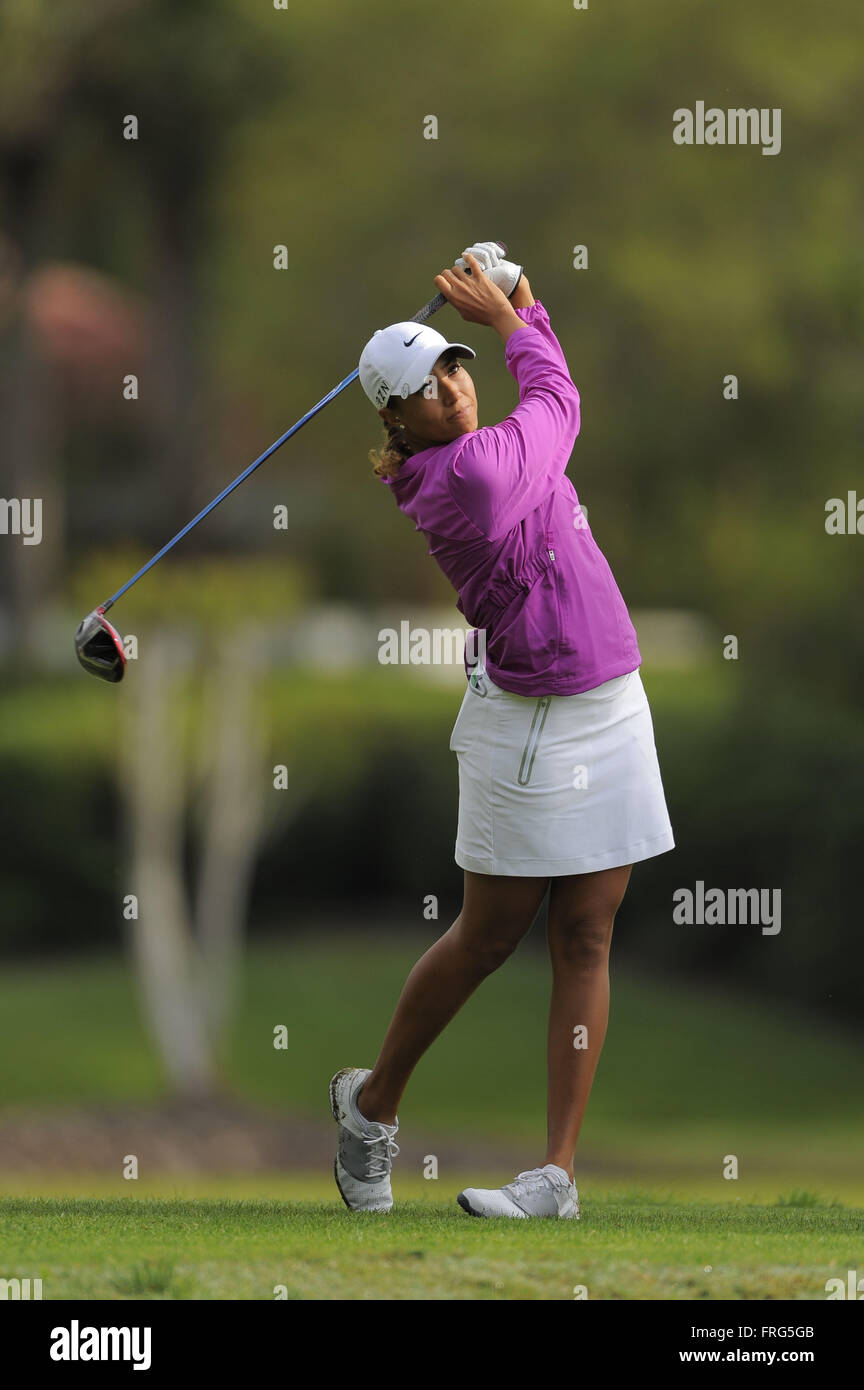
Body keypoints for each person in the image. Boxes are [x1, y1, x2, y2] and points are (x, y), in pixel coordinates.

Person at [330, 242, 675, 1219]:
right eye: (426, 385)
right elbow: (558, 405)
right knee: (490, 935)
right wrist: (516, 322)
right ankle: (371, 1107)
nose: (450, 386)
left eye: (453, 365)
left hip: (611, 698)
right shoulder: (466, 480)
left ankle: (556, 1177)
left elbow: (544, 385)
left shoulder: (477, 442)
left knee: (588, 931)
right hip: (524, 719)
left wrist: (524, 297)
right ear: (396, 419)